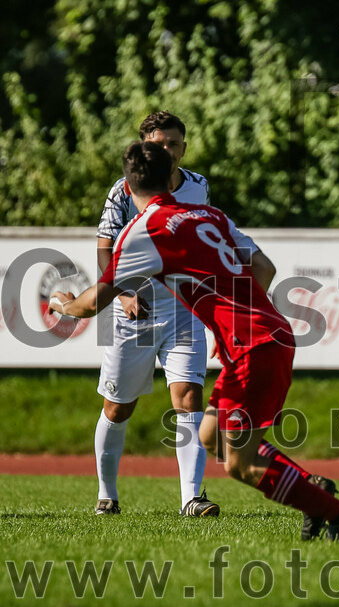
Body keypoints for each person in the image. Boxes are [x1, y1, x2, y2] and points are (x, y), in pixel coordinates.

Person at [51, 141, 339, 541]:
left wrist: (64, 304)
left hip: (254, 346)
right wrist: (237, 316)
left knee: (238, 462)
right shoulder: (208, 213)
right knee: (211, 436)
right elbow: (263, 267)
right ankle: (314, 492)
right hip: (270, 334)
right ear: (171, 177)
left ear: (128, 189)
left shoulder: (141, 231)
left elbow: (92, 304)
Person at [93, 111, 216, 517]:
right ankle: (106, 494)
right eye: (159, 144)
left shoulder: (198, 187)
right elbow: (105, 245)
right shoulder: (126, 189)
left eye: (175, 143)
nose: (168, 150)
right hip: (136, 312)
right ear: (145, 148)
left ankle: (191, 500)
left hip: (183, 311)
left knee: (188, 397)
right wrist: (124, 293)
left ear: (184, 146)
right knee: (119, 406)